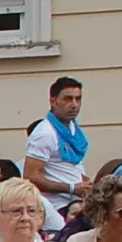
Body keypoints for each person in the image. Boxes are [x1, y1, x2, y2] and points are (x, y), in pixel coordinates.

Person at [24, 76, 89, 221]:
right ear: (53, 101)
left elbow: (73, 167)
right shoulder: (44, 133)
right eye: (68, 99)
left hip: (77, 203)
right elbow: (30, 177)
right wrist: (72, 188)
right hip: (56, 209)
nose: (74, 104)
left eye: (78, 99)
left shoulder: (74, 128)